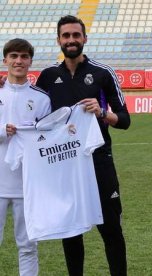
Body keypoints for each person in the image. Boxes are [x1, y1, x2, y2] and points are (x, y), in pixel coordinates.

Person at [35, 15, 131, 275]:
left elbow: (124, 120)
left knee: (111, 229)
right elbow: (31, 114)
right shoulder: (47, 77)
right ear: (58, 41)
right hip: (64, 164)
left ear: (85, 38)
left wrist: (102, 113)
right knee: (71, 231)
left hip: (99, 161)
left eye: (76, 35)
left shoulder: (102, 73)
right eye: (66, 36)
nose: (71, 40)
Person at [0, 38, 51, 276]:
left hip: (27, 186)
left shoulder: (42, 98)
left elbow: (47, 140)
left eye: (23, 57)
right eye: (13, 56)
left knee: (28, 246)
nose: (18, 61)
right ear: (5, 60)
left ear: (30, 61)